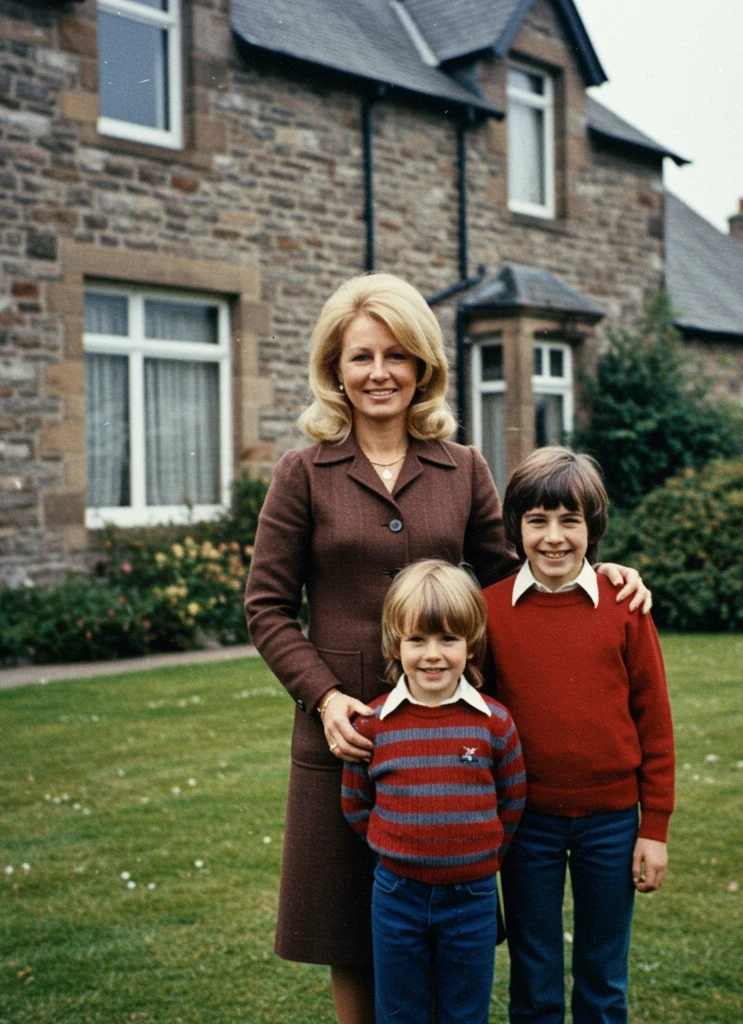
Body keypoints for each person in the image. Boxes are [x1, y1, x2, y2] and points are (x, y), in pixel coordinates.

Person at [243, 273, 651, 1024]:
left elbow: (511, 583)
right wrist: (324, 696)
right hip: (348, 737)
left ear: (423, 367)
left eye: (396, 356)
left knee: (449, 922)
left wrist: (598, 570)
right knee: (353, 932)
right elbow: (265, 606)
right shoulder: (300, 474)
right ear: (335, 368)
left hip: (453, 738)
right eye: (361, 356)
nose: (378, 373)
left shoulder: (464, 467)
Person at [482, 447, 675, 1024]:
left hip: (613, 822)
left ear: (594, 526)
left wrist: (655, 828)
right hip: (526, 823)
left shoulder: (625, 607)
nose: (554, 537)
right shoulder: (490, 611)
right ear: (516, 527)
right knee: (534, 976)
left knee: (603, 975)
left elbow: (655, 722)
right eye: (537, 521)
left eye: (571, 520)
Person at [341, 559, 525, 1024]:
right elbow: (356, 803)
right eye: (417, 640)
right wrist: (401, 846)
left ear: (471, 643)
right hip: (397, 896)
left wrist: (474, 852)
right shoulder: (373, 724)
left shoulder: (494, 723)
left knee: (464, 1013)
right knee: (400, 1012)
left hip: (472, 899)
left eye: (448, 639)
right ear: (395, 644)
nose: (433, 655)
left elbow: (512, 801)